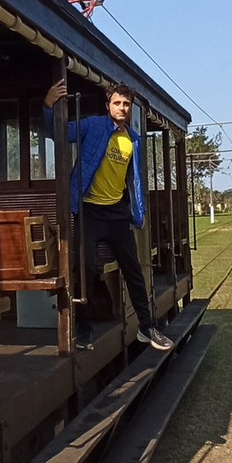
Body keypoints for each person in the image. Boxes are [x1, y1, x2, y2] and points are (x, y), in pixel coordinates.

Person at [43, 79, 174, 351]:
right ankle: (83, 331)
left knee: (134, 271)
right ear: (108, 106)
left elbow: (135, 180)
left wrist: (138, 212)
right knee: (84, 269)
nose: (122, 108)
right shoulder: (93, 125)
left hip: (117, 214)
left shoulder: (133, 141)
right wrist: (48, 103)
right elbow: (58, 133)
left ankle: (147, 327)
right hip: (89, 211)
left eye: (126, 104)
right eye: (117, 103)